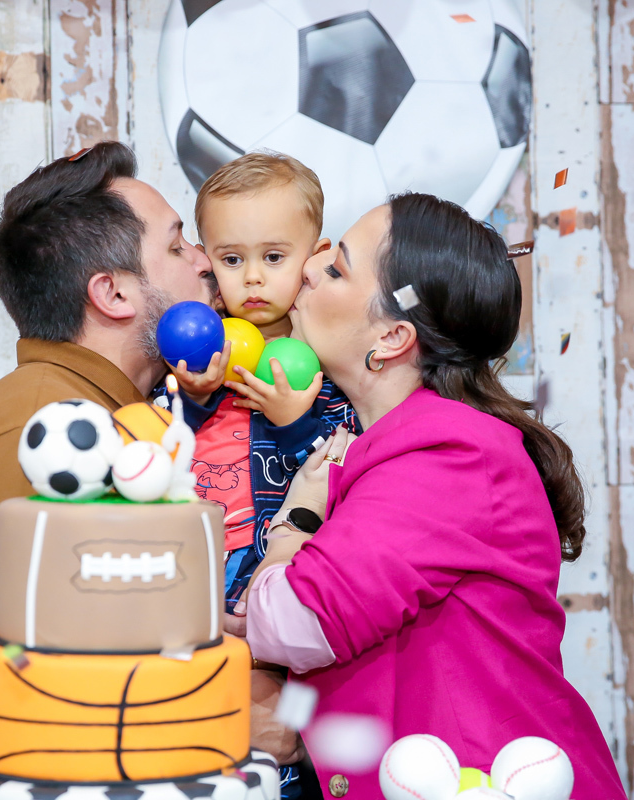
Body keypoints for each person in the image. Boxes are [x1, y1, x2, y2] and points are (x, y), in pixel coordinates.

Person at [241, 194, 628, 799]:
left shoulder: (447, 455)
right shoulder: (400, 446)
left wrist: (295, 523)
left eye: (336, 268)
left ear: (392, 337)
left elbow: (292, 622)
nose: (307, 270)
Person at [0, 142, 214, 762]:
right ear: (113, 294)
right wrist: (231, 721)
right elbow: (38, 694)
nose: (205, 261)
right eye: (176, 248)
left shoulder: (136, 416)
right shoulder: (40, 428)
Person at [162, 152, 359, 799]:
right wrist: (191, 399)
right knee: (200, 756)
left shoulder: (329, 369)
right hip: (201, 608)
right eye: (231, 258)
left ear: (315, 254)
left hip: (293, 611)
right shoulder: (197, 359)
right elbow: (150, 461)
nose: (252, 277)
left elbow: (347, 473)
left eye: (274, 257)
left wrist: (297, 424)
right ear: (206, 259)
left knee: (290, 754)